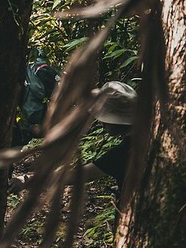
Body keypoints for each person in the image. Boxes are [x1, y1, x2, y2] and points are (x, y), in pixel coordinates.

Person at [9, 81, 137, 193]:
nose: (100, 122)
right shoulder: (139, 141)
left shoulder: (122, 153)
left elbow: (76, 176)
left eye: (104, 118)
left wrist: (27, 180)